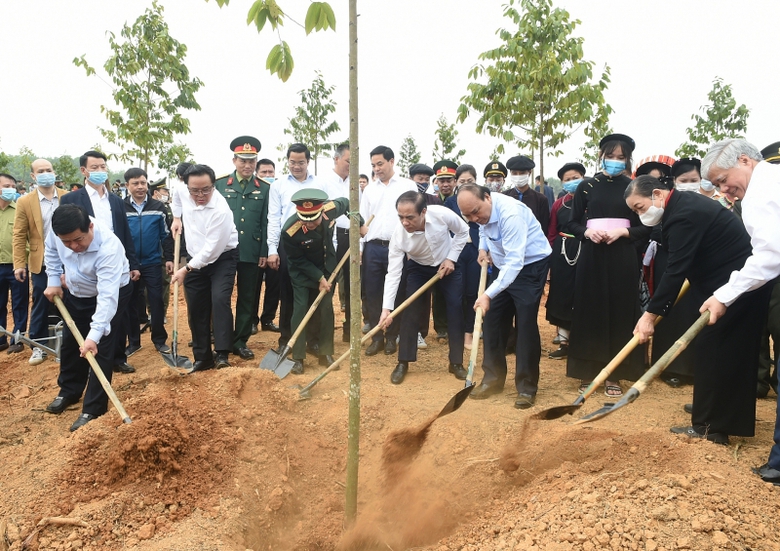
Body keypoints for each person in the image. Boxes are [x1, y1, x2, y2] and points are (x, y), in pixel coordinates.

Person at [627, 174, 771, 444]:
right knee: (718, 349)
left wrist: (649, 316)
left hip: (736, 287)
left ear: (657, 194)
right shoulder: (681, 205)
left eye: (640, 207)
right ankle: (714, 410)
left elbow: (675, 269)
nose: (640, 215)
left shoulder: (683, 214)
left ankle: (711, 426)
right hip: (723, 284)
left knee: (715, 348)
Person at [687, 140, 780, 478]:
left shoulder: (760, 192)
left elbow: (768, 258)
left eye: (725, 179)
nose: (726, 190)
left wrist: (723, 295)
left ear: (744, 160)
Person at [564, 134, 650, 397]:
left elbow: (647, 226)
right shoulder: (587, 186)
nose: (615, 161)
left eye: (620, 158)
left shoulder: (634, 187)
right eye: (610, 156)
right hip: (592, 255)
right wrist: (587, 233)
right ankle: (588, 370)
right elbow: (572, 223)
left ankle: (615, 373)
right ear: (601, 156)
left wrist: (624, 234)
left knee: (621, 309)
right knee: (589, 309)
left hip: (622, 255)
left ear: (627, 159)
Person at [457, 184, 551, 409]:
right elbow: (483, 229)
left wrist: (488, 294)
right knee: (493, 321)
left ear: (487, 197)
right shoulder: (480, 213)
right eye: (467, 215)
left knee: (525, 324)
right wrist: (482, 248)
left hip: (529, 266)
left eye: (476, 212)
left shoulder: (511, 214)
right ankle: (493, 379)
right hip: (502, 268)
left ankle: (527, 387)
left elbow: (515, 262)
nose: (473, 218)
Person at [42, 204, 133, 432]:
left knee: (99, 346)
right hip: (76, 291)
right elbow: (51, 252)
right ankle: (69, 391)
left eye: (78, 240)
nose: (73, 247)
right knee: (72, 342)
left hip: (111, 293)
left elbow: (107, 299)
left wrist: (93, 337)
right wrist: (53, 280)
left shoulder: (109, 248)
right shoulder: (58, 233)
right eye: (67, 242)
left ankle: (93, 408)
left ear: (90, 226)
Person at [60, 150, 140, 374]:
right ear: (83, 171)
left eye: (103, 167)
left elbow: (124, 234)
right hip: (84, 268)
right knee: (91, 315)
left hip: (114, 264)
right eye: (94, 168)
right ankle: (86, 357)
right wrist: (62, 272)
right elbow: (62, 239)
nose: (100, 171)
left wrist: (132, 263)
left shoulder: (115, 200)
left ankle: (117, 357)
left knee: (117, 314)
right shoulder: (71, 199)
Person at [379, 191, 469, 384]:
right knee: (411, 310)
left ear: (423, 212)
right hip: (419, 268)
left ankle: (456, 363)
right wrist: (387, 309)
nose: (404, 222)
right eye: (401, 217)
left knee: (455, 308)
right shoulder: (398, 236)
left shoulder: (442, 214)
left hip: (448, 265)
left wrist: (451, 258)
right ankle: (403, 361)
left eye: (409, 217)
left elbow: (463, 232)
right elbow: (394, 273)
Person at [282, 189, 367, 374]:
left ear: (322, 211)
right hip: (302, 273)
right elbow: (297, 260)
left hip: (328, 268)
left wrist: (359, 223)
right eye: (305, 220)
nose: (310, 223)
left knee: (326, 309)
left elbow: (347, 202)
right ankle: (298, 358)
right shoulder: (290, 230)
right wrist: (318, 278)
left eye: (314, 218)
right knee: (301, 310)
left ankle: (325, 353)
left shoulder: (330, 209)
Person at [171, 164, 239, 371]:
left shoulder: (221, 210)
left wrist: (186, 269)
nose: (200, 195)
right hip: (194, 256)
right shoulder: (182, 190)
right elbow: (176, 197)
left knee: (219, 299)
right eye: (195, 190)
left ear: (213, 186)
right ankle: (203, 357)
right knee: (196, 305)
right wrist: (176, 217)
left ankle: (222, 354)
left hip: (222, 258)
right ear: (187, 186)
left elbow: (212, 251)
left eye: (206, 189)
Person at [651, 158, 706, 386]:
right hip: (671, 262)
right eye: (684, 180)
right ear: (674, 181)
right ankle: (670, 366)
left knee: (697, 312)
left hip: (702, 267)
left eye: (694, 180)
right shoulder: (665, 204)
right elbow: (654, 232)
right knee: (672, 312)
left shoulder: (713, 204)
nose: (690, 184)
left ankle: (696, 368)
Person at [266, 143, 326, 350]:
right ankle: (286, 340)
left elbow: (327, 216)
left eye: (301, 162)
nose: (296, 166)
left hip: (316, 245)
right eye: (292, 162)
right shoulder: (278, 185)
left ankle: (313, 340)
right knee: (289, 294)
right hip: (289, 245)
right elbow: (273, 218)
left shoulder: (320, 184)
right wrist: (272, 250)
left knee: (315, 293)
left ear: (308, 161)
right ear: (288, 161)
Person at [215, 136, 269, 361]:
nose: (247, 166)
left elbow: (267, 221)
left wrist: (265, 251)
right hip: (224, 251)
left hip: (252, 251)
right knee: (222, 296)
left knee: (248, 297)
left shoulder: (265, 188)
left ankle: (241, 341)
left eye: (251, 161)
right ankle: (223, 341)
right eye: (243, 161)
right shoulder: (220, 184)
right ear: (234, 160)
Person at [360, 145, 417, 356]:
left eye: (380, 164)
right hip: (373, 247)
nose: (376, 169)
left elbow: (414, 218)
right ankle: (377, 337)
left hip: (398, 247)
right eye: (373, 165)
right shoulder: (369, 189)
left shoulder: (407, 185)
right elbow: (363, 223)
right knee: (373, 292)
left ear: (392, 161)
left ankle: (392, 336)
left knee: (396, 291)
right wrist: (360, 248)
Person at [12, 160, 68, 364]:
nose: (46, 174)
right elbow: (19, 235)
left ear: (54, 173)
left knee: (73, 299)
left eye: (49, 170)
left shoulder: (67, 197)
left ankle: (69, 346)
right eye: (41, 171)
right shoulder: (25, 202)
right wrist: (19, 263)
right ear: (33, 177)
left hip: (69, 257)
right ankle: (39, 345)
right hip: (41, 260)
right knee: (41, 299)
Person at [122, 167, 174, 357]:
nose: (140, 187)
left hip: (153, 262)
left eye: (143, 182)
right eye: (135, 183)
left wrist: (168, 258)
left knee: (156, 301)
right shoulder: (121, 208)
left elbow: (166, 236)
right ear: (127, 185)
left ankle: (159, 340)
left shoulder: (158, 207)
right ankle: (134, 342)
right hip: (129, 265)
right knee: (132, 304)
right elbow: (119, 238)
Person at [545, 162, 586, 360]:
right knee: (562, 294)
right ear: (562, 183)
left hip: (586, 251)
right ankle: (563, 342)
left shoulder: (592, 201)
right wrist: (552, 258)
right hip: (561, 254)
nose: (572, 182)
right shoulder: (558, 204)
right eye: (567, 180)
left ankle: (581, 341)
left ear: (584, 177)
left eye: (575, 177)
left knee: (582, 294)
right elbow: (552, 232)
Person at [321, 144, 355, 342]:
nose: (352, 165)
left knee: (352, 286)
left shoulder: (356, 184)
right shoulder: (323, 182)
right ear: (336, 159)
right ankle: (325, 335)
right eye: (349, 161)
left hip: (351, 237)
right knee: (329, 284)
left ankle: (350, 330)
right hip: (330, 237)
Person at [446, 165, 480, 349]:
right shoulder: (450, 203)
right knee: (456, 294)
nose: (466, 184)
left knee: (472, 293)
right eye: (462, 181)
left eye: (470, 181)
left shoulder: (481, 200)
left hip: (475, 251)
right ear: (455, 183)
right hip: (455, 252)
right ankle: (456, 333)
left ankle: (469, 333)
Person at [252, 158, 281, 334]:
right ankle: (252, 320)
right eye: (264, 172)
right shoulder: (255, 191)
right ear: (257, 174)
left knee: (274, 286)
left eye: (271, 172)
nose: (268, 175)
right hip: (256, 248)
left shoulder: (278, 189)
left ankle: (268, 319)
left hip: (275, 247)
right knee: (253, 287)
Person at [0, 173, 28, 354]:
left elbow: (25, 237)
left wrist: (22, 260)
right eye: (6, 186)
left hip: (16, 265)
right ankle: (1, 337)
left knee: (19, 303)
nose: (10, 189)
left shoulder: (19, 209)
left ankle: (18, 338)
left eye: (13, 186)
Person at [503, 155, 550, 234]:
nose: (518, 176)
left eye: (522, 173)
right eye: (514, 173)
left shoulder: (541, 199)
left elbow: (544, 227)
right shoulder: (504, 197)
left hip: (533, 242)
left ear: (529, 173)